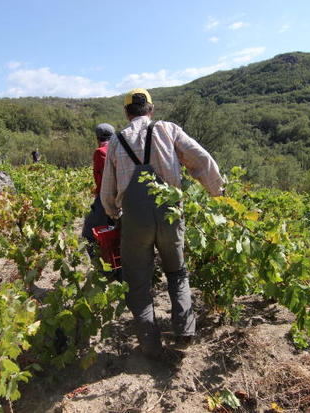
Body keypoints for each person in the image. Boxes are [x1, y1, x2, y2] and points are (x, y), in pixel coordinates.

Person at [100, 88, 224, 359]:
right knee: (177, 272)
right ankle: (184, 332)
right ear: (151, 110)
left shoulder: (117, 142)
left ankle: (149, 343)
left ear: (126, 112)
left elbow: (107, 192)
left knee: (138, 281)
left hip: (135, 220)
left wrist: (113, 214)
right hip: (169, 213)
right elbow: (200, 159)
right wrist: (217, 191)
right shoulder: (167, 130)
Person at [82, 123, 115, 254]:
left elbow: (104, 180)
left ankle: (99, 263)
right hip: (124, 196)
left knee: (88, 233)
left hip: (106, 197)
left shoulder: (100, 152)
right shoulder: (119, 149)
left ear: (97, 137)